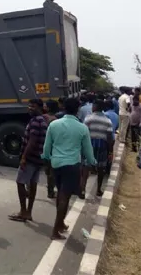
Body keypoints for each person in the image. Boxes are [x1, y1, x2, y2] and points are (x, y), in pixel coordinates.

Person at [42, 97, 97, 240]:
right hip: (72, 165)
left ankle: (60, 224)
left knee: (60, 194)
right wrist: (93, 162)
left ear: (63, 108)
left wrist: (46, 160)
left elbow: (47, 148)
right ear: (78, 110)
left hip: (56, 164)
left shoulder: (54, 125)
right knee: (64, 197)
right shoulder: (82, 128)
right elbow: (88, 151)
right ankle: (55, 230)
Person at [9, 99, 47, 222]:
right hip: (38, 158)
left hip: (30, 158)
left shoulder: (36, 122)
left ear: (40, 107)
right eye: (29, 106)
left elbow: (32, 141)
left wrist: (24, 157)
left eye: (33, 106)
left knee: (20, 182)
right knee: (32, 184)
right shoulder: (42, 121)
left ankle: (23, 211)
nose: (30, 108)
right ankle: (29, 212)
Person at [82, 100, 114, 197]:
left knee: (85, 168)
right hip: (102, 145)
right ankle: (98, 190)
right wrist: (110, 151)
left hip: (89, 144)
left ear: (95, 107)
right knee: (101, 169)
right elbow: (109, 137)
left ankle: (82, 190)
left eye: (93, 105)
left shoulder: (88, 118)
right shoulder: (107, 121)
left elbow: (84, 133)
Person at [43, 99, 60, 198]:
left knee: (47, 170)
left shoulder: (43, 117)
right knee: (51, 171)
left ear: (48, 107)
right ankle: (50, 191)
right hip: (52, 148)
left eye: (45, 105)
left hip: (43, 146)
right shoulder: (55, 120)